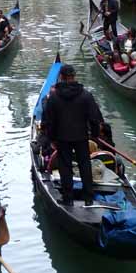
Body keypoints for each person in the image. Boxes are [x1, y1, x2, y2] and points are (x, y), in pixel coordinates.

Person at [41, 64, 103, 207]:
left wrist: (51, 138)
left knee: (65, 166)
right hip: (81, 136)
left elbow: (48, 121)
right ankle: (88, 197)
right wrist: (94, 135)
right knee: (84, 164)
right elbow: (94, 118)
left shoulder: (54, 97)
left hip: (62, 138)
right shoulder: (86, 95)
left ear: (61, 77)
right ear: (74, 77)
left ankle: (68, 198)